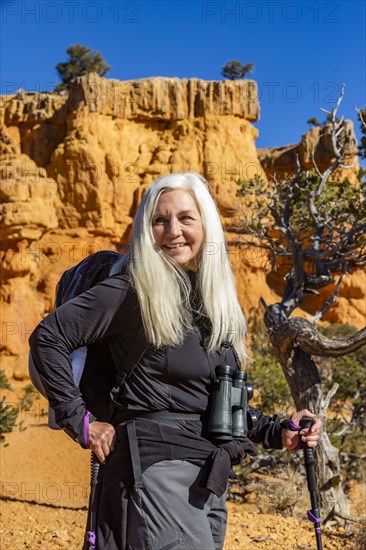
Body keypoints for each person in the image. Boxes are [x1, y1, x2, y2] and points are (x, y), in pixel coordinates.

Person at [29, 172, 321, 550]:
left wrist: (277, 430)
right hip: (153, 470)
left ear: (207, 226)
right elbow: (48, 337)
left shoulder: (210, 301)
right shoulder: (134, 289)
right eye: (159, 221)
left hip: (206, 480)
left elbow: (209, 400)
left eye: (186, 218)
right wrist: (80, 421)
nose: (173, 231)